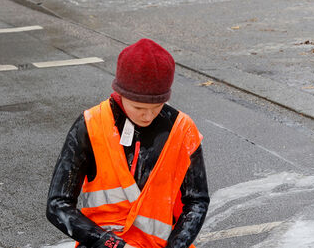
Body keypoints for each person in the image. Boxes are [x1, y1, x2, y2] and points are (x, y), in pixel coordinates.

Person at [46, 39, 209, 248]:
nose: (148, 116)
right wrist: (112, 244)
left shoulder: (183, 129)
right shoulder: (91, 125)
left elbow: (197, 201)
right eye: (138, 107)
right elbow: (57, 205)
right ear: (120, 93)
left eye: (157, 106)